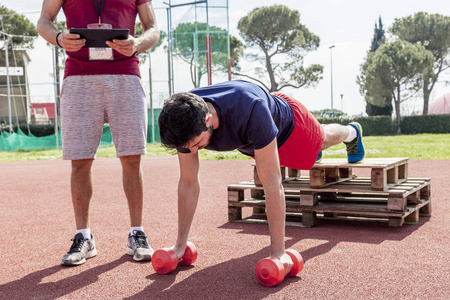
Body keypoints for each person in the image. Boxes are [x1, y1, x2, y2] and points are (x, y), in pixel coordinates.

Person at [158, 79, 364, 270]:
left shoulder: (250, 110)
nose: (192, 152)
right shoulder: (184, 119)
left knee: (323, 139)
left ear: (208, 119)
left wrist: (278, 253)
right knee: (301, 156)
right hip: (256, 138)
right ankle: (313, 151)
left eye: (196, 144)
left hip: (292, 128)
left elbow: (272, 182)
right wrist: (179, 246)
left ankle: (351, 132)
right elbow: (188, 182)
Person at [37, 0, 160, 266]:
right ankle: (84, 236)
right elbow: (44, 20)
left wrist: (138, 43)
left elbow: (153, 28)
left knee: (132, 158)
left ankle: (136, 233)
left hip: (126, 75)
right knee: (80, 161)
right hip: (79, 77)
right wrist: (59, 38)